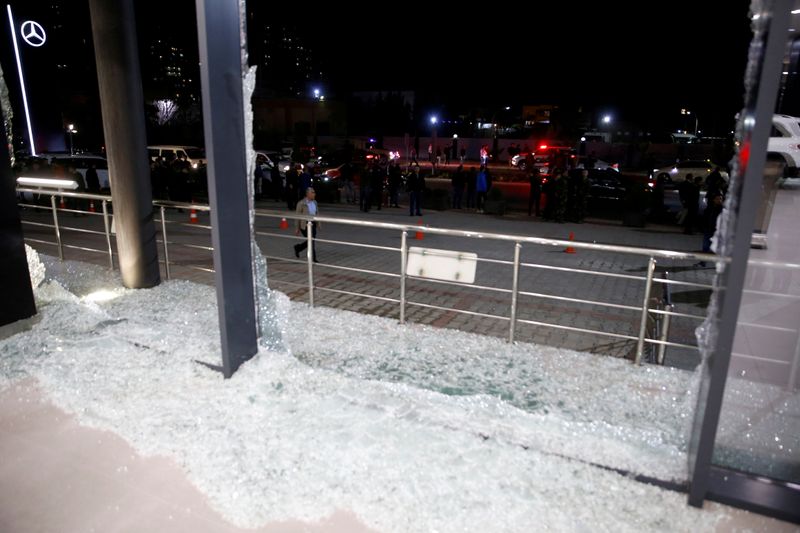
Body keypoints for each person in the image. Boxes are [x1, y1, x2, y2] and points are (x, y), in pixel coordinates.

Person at [697, 193, 724, 267]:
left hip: (717, 232)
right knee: (705, 247)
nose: (719, 200)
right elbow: (704, 218)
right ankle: (703, 262)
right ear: (713, 200)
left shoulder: (722, 210)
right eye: (717, 199)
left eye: (721, 199)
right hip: (708, 230)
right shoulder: (709, 208)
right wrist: (703, 227)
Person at [293, 187, 320, 262]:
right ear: (308, 194)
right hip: (304, 225)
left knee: (311, 240)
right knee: (311, 240)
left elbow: (317, 213)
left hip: (313, 224)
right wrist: (297, 228)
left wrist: (318, 223)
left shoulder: (315, 202)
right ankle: (313, 258)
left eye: (314, 192)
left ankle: (298, 248)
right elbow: (297, 216)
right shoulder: (301, 203)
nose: (314, 194)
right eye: (313, 192)